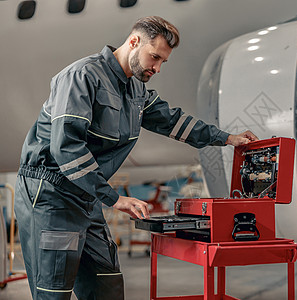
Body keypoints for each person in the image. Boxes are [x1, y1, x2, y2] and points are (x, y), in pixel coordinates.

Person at [14, 16, 258, 300]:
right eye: (154, 57)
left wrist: (227, 138)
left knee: (106, 284)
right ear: (133, 42)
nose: (156, 67)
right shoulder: (81, 76)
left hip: (86, 194)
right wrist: (115, 199)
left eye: (162, 62)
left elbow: (173, 121)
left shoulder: (136, 89)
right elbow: (66, 147)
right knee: (53, 291)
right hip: (51, 196)